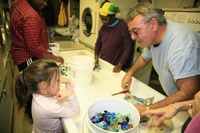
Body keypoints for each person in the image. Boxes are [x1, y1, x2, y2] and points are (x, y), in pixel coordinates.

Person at [121, 3, 200, 119]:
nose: (132, 37)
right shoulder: (154, 36)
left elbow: (188, 92)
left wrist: (148, 109)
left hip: (191, 106)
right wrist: (130, 73)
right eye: (130, 33)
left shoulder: (181, 48)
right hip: (175, 97)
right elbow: (144, 57)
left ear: (153, 24)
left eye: (136, 31)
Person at [15, 59, 80, 133]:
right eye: (57, 80)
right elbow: (75, 111)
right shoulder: (49, 107)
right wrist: (71, 94)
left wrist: (66, 83)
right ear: (44, 85)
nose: (60, 81)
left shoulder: (37, 92)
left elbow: (58, 95)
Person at [10, 0, 64, 72]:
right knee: (34, 80)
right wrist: (55, 58)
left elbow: (27, 35)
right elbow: (34, 46)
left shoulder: (18, 3)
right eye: (44, 0)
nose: (45, 4)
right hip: (28, 58)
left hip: (20, 53)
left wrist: (45, 44)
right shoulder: (31, 16)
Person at [94, 0, 133, 73]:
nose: (102, 21)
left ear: (112, 17)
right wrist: (96, 57)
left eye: (105, 19)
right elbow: (98, 43)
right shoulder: (103, 27)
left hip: (116, 65)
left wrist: (120, 64)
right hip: (105, 63)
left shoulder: (122, 26)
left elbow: (128, 47)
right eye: (101, 18)